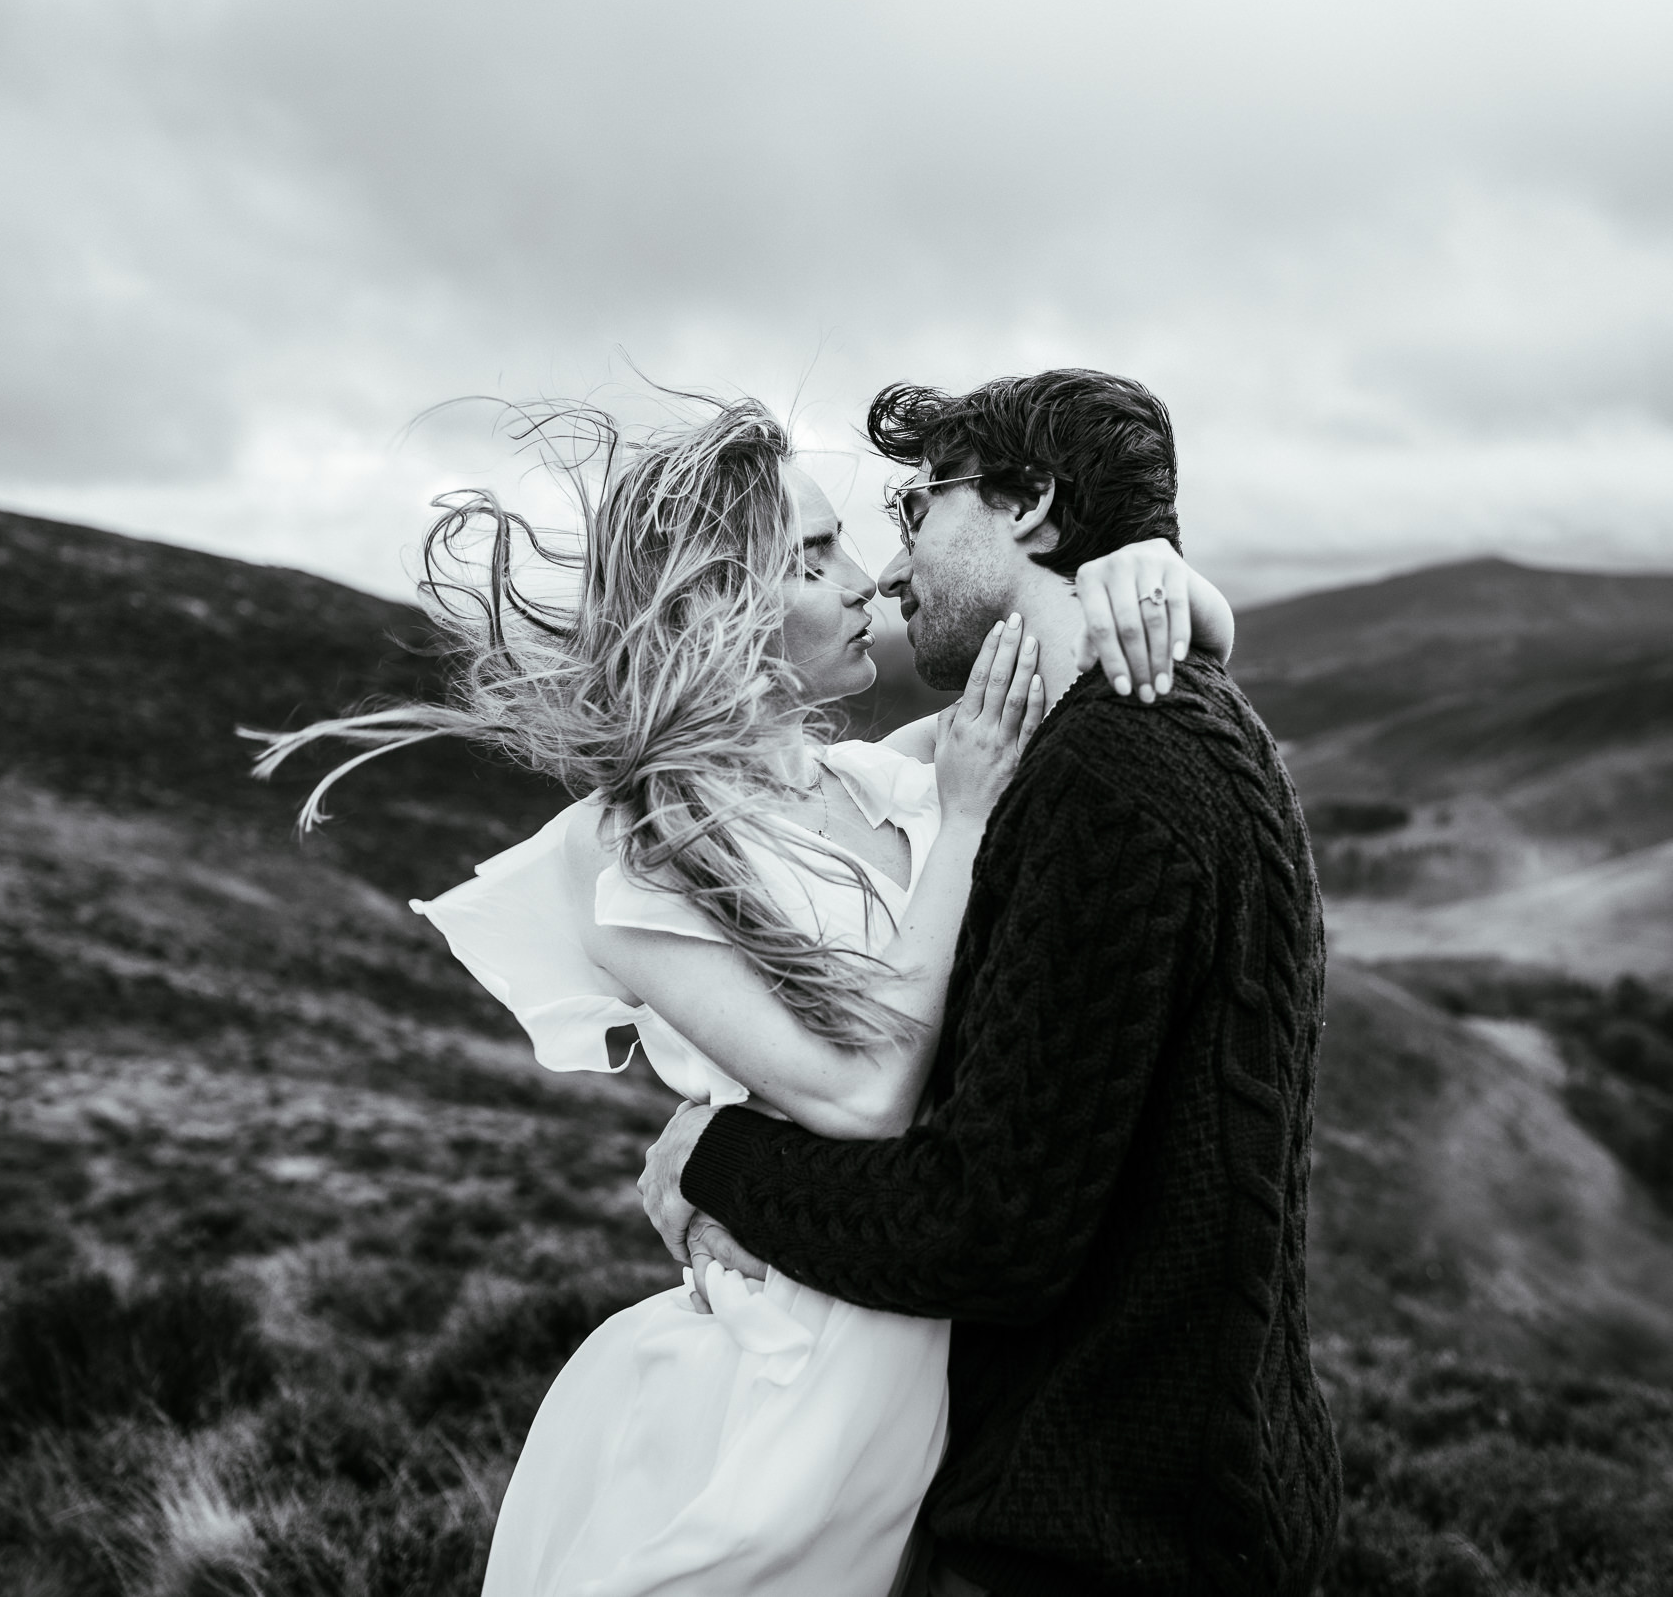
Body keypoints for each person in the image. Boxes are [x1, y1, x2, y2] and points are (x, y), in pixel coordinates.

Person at [245, 390, 1238, 1597]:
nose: (869, 580)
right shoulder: (642, 854)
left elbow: (1087, 665)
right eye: (814, 558)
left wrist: (1162, 578)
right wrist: (971, 820)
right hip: (788, 1397)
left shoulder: (882, 777)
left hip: (942, 1373)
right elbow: (865, 1096)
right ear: (721, 606)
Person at [639, 369, 1338, 1597]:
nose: (891, 566)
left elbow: (984, 1225)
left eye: (918, 506)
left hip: (1093, 1536)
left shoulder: (1110, 776)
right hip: (1184, 1497)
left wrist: (715, 1159)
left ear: (1028, 505)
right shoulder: (1186, 725)